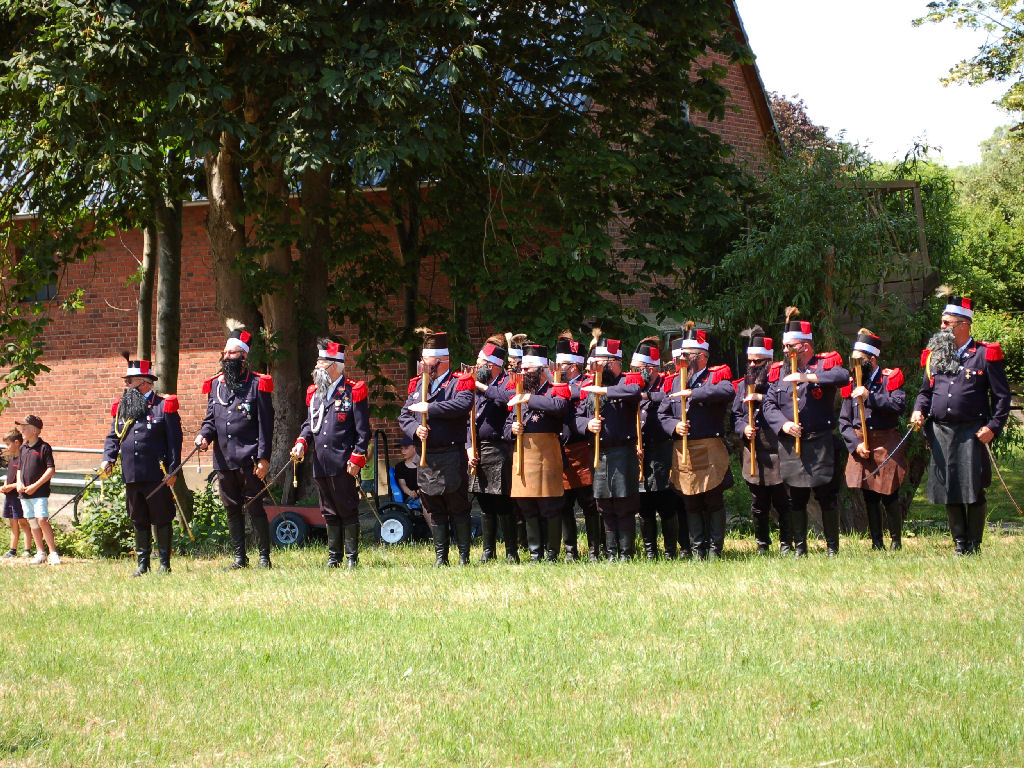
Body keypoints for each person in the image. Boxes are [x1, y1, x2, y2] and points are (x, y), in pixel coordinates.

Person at [911, 291, 1011, 555]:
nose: (941, 326)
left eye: (947, 322)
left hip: (972, 432)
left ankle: (974, 545)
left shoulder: (985, 355)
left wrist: (993, 427)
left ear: (963, 325)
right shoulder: (935, 355)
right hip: (940, 430)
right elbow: (925, 392)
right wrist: (918, 411)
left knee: (974, 488)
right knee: (949, 489)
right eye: (942, 321)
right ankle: (960, 544)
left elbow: (1002, 397)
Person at [762, 307, 849, 557]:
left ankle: (832, 548)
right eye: (784, 346)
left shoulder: (823, 364)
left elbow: (843, 376)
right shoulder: (779, 371)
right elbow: (768, 405)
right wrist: (783, 425)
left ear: (805, 346)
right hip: (792, 443)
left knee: (826, 496)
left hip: (819, 442)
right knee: (795, 498)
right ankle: (800, 548)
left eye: (790, 346)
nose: (785, 351)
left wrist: (808, 377)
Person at [195, 324, 275, 569]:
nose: (226, 357)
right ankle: (240, 558)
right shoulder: (216, 385)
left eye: (231, 353)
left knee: (255, 507)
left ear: (243, 356)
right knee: (231, 509)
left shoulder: (257, 384)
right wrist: (203, 436)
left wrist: (263, 458)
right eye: (225, 353)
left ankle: (264, 557)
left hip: (250, 459)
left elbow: (265, 425)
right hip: (224, 459)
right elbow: (210, 420)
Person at [291, 340, 371, 568]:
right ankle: (334, 557)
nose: (316, 367)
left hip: (344, 462)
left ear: (334, 366)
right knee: (328, 511)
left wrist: (357, 458)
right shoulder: (315, 393)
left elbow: (363, 431)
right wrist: (301, 442)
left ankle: (352, 558)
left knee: (347, 508)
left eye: (321, 362)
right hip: (321, 462)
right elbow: (309, 425)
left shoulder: (353, 390)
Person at [398, 329, 475, 566]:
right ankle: (441, 557)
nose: (422, 363)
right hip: (426, 457)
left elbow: (462, 405)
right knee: (433, 508)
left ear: (441, 361)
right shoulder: (418, 385)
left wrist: (430, 408)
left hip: (451, 455)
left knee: (458, 507)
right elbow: (404, 415)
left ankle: (463, 557)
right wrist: (415, 430)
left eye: (426, 360)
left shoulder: (459, 383)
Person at [101, 355, 183, 576]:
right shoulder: (123, 407)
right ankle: (142, 564)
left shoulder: (163, 406)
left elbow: (174, 442)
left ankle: (164, 563)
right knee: (138, 518)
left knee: (162, 517)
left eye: (130, 381)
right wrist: (108, 458)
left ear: (144, 383)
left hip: (158, 474)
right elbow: (113, 436)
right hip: (132, 473)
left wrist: (173, 470)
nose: (126, 386)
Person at [658, 323, 734, 559]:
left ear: (701, 357)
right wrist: (674, 426)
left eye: (686, 355)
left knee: (713, 500)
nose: (681, 359)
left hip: (710, 448)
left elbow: (727, 391)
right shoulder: (675, 382)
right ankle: (698, 548)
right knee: (691, 500)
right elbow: (662, 414)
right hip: (684, 449)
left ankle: (715, 550)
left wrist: (693, 393)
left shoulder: (715, 376)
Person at [839, 329, 907, 550]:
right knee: (869, 495)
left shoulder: (889, 378)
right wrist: (855, 445)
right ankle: (876, 542)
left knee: (889, 493)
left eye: (859, 360)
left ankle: (896, 541)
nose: (855, 365)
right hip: (862, 443)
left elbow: (899, 405)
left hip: (886, 441)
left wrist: (871, 396)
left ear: (872, 359)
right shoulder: (852, 383)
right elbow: (844, 421)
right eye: (853, 360)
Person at [506, 344, 572, 561]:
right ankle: (536, 554)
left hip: (546, 455)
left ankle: (552, 554)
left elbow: (559, 407)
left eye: (528, 369)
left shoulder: (555, 388)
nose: (523, 372)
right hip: (523, 454)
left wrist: (529, 399)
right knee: (527, 506)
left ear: (542, 369)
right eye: (522, 369)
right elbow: (506, 425)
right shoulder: (518, 391)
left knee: (550, 505)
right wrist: (512, 429)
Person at [580, 337, 644, 560]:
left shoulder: (627, 380)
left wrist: (604, 392)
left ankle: (626, 552)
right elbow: (578, 416)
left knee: (624, 504)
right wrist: (587, 424)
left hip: (623, 452)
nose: (596, 366)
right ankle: (611, 552)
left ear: (614, 362)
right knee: (604, 504)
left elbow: (634, 392)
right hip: (600, 453)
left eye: (601, 362)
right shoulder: (592, 385)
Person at [731, 326, 791, 554]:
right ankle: (762, 544)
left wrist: (762, 397)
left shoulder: (780, 383)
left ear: (769, 361)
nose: (753, 365)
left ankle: (787, 543)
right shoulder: (742, 385)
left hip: (777, 449)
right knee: (758, 504)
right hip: (753, 451)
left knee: (783, 501)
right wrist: (743, 429)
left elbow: (786, 408)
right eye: (750, 361)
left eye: (758, 361)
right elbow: (736, 416)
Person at [467, 336, 516, 563]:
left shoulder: (507, 381)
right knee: (484, 502)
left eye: (480, 365)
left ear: (492, 366)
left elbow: (509, 398)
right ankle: (488, 551)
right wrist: (469, 447)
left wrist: (483, 388)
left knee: (503, 502)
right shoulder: (476, 385)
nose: (477, 369)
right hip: (478, 449)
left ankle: (511, 551)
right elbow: (468, 420)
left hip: (500, 449)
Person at [632, 337, 680, 559]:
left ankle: (670, 551)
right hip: (640, 451)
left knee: (666, 503)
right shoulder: (633, 385)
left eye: (638, 369)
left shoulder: (666, 383)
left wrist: (646, 395)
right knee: (645, 506)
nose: (634, 373)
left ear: (650, 368)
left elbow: (667, 397)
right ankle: (650, 551)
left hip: (662, 450)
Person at [556, 332, 601, 561]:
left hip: (582, 449)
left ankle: (595, 550)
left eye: (562, 364)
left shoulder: (588, 384)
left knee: (589, 503)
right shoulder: (556, 385)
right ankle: (570, 552)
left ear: (574, 366)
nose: (558, 368)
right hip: (560, 449)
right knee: (564, 505)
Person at [15, 415, 59, 565]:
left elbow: (51, 469)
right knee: (32, 521)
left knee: (42, 520)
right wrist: (19, 483)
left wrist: (35, 486)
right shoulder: (23, 448)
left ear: (34, 430)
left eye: (24, 428)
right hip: (24, 493)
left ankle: (53, 553)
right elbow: (19, 469)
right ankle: (40, 552)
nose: (21, 431)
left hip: (39, 492)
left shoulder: (44, 447)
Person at [1, 430, 30, 558]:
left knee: (23, 522)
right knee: (13, 522)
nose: (7, 447)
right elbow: (9, 476)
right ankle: (12, 550)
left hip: (19, 496)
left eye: (8, 444)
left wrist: (11, 487)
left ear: (17, 442)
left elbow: (22, 481)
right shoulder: (11, 458)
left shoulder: (23, 459)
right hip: (10, 496)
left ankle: (27, 550)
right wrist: (5, 485)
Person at [393, 436, 420, 502]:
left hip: (424, 495)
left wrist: (421, 491)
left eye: (406, 448)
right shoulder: (400, 466)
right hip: (410, 497)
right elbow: (402, 484)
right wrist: (410, 492)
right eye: (402, 449)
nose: (403, 451)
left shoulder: (423, 465)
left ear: (415, 448)